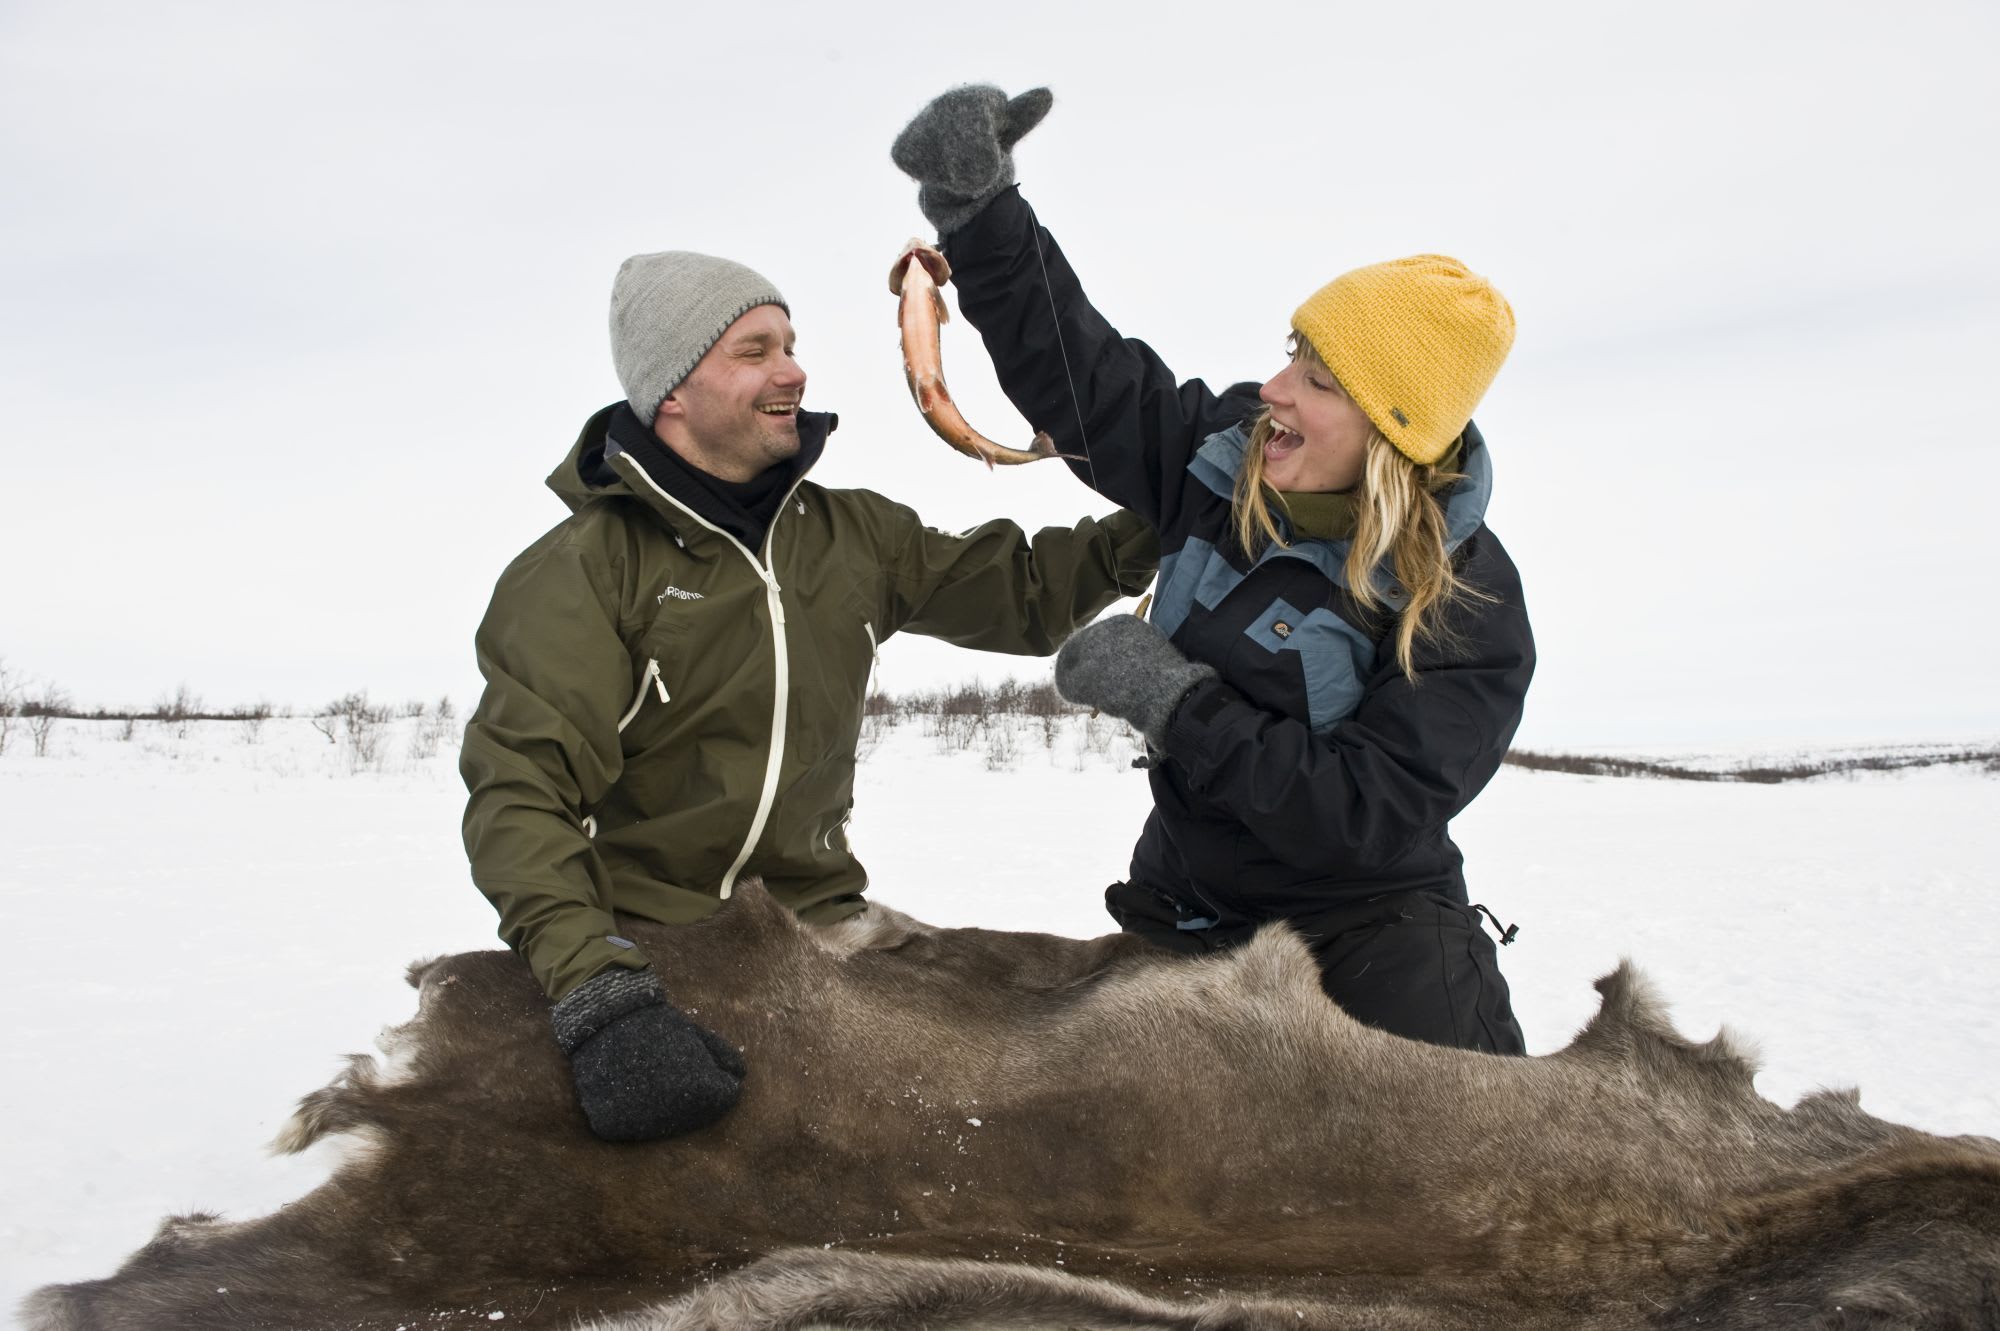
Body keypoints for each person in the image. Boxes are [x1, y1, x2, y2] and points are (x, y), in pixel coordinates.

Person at [892, 86, 1534, 1055]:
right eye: (1292, 356)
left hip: (1371, 941)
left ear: (1392, 432)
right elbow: (1084, 378)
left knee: (1477, 1177)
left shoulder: (1461, 595)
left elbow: (1360, 813)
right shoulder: (1217, 461)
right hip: (1185, 914)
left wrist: (1172, 701)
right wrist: (978, 211)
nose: (1274, 390)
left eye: (1319, 381)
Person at [461, 250, 1159, 1142]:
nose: (793, 370)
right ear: (672, 390)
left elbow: (1025, 592)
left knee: (1054, 1084)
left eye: (790, 345)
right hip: (654, 935)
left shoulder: (851, 535)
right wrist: (600, 993)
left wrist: (1174, 505)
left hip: (826, 924)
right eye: (754, 351)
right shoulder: (584, 572)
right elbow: (519, 794)